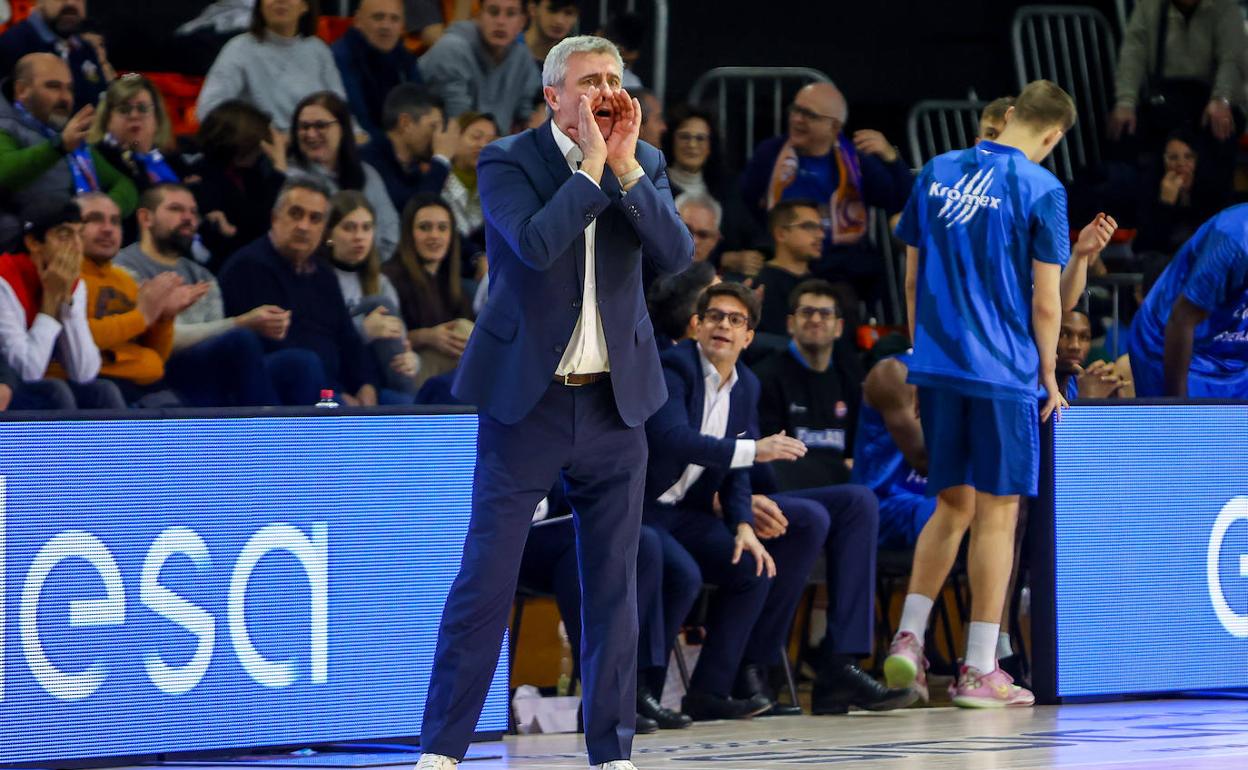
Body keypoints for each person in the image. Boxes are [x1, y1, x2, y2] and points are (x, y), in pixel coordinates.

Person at [414, 33, 692, 770]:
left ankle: (613, 754)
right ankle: (442, 750)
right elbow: (536, 245)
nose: (606, 90)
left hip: (615, 403)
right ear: (553, 97)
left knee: (612, 587)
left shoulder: (648, 164)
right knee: (486, 578)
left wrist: (627, 166)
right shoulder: (508, 160)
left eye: (614, 78)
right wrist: (595, 165)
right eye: (589, 80)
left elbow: (678, 257)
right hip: (526, 400)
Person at [885, 79, 1077, 708]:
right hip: (1002, 373)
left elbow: (912, 277)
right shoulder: (1044, 189)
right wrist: (1048, 375)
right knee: (998, 514)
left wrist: (920, 355)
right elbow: (1047, 302)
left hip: (938, 365)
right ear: (1051, 136)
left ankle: (909, 637)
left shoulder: (936, 169)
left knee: (952, 505)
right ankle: (977, 670)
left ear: (1012, 114)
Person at [642, 283, 802, 720]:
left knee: (752, 566)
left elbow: (735, 466)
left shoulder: (746, 384)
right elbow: (673, 441)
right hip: (640, 508)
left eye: (735, 320)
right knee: (681, 573)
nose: (723, 326)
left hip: (683, 512)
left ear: (748, 336)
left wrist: (743, 525)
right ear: (697, 326)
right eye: (714, 316)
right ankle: (643, 694)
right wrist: (756, 451)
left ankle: (710, 691)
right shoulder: (673, 368)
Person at [115, 183, 324, 407]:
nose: (188, 218)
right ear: (146, 218)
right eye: (176, 209)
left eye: (193, 212)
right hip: (159, 368)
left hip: (205, 369)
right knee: (239, 340)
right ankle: (266, 435)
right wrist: (239, 323)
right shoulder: (123, 268)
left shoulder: (202, 275)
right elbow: (163, 340)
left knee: (302, 362)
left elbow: (215, 337)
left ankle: (313, 437)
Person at [740, 81, 912, 300]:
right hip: (780, 260)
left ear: (835, 127)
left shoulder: (857, 162)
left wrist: (891, 159)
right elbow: (744, 204)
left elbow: (903, 201)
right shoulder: (771, 153)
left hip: (838, 269)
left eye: (808, 114)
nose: (796, 119)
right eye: (795, 110)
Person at [219, 178, 380, 406]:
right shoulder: (247, 267)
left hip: (333, 389)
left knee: (401, 403)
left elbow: (348, 338)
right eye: (296, 214)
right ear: (275, 218)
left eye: (315, 219)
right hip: (280, 390)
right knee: (304, 364)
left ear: (323, 229)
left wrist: (366, 385)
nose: (304, 226)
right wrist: (334, 393)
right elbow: (270, 347)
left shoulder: (324, 274)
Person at [74, 192, 207, 405]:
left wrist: (164, 316)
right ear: (69, 228)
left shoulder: (125, 280)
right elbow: (79, 340)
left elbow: (156, 355)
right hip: (95, 384)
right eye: (95, 219)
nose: (108, 229)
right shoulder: (65, 277)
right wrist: (143, 316)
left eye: (115, 222)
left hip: (136, 381)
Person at [1109, 0, 1246, 202]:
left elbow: (1232, 58)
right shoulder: (1149, 6)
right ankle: (1139, 214)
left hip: (1211, 97)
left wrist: (1221, 98)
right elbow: (1133, 53)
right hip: (1168, 96)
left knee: (1222, 130)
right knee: (1125, 131)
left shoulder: (1224, 7)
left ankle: (1214, 211)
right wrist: (1125, 101)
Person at [0, 53, 136, 251]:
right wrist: (59, 146)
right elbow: (4, 173)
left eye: (69, 89)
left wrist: (98, 213)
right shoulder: (6, 127)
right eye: (53, 86)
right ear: (22, 90)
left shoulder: (64, 133)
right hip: (26, 251)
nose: (65, 98)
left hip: (82, 246)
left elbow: (124, 185)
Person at [0, 199, 124, 409]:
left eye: (80, 234)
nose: (77, 246)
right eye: (65, 235)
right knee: (54, 392)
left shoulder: (72, 282)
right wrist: (50, 303)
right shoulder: (4, 279)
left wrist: (67, 303)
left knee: (103, 391)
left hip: (33, 379)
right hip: (8, 386)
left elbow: (84, 372)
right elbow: (26, 372)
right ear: (33, 243)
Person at [1128, 203, 1248, 397]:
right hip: (1169, 338)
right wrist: (1179, 409)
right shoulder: (1233, 240)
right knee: (1187, 422)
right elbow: (1182, 319)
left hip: (1233, 342)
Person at [753, 279, 858, 489]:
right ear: (790, 324)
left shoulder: (850, 379)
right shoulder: (765, 377)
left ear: (839, 327)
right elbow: (772, 459)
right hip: (789, 488)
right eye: (807, 312)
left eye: (825, 313)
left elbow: (854, 455)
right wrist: (838, 469)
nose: (816, 319)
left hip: (841, 489)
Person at [196, 0, 347, 133]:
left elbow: (339, 106)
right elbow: (208, 109)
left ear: (305, 5)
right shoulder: (239, 48)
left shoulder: (318, 50)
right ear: (260, 5)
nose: (280, 1)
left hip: (316, 145)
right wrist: (260, 135)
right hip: (261, 152)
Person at [324, 189, 419, 397]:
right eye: (349, 228)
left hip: (380, 378)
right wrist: (362, 329)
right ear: (329, 234)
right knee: (377, 303)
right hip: (337, 378)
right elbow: (318, 341)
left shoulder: (381, 281)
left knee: (381, 302)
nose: (359, 237)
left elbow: (400, 341)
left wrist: (412, 360)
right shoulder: (318, 279)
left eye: (366, 228)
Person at [286, 90, 400, 259]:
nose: (310, 134)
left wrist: (362, 263)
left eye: (320, 125)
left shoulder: (367, 174)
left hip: (372, 270)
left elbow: (390, 236)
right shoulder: (292, 178)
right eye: (304, 127)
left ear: (342, 129)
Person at [184, 99, 289, 271]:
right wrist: (279, 170)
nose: (262, 148)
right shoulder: (202, 176)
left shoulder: (251, 172)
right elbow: (255, 228)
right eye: (257, 141)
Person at [382, 194, 473, 383]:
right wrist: (427, 337)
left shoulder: (450, 280)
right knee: (466, 332)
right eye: (424, 227)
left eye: (442, 228)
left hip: (445, 373)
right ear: (408, 233)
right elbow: (386, 341)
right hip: (407, 371)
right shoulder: (390, 277)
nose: (434, 235)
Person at [417, 0, 540, 131]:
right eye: (493, 12)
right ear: (479, 16)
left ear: (522, 21)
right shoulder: (451, 49)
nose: (501, 21)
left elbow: (527, 117)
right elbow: (460, 121)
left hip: (491, 145)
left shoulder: (522, 58)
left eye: (510, 14)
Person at [332, 0, 423, 144]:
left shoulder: (406, 59)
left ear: (402, 26)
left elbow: (421, 111)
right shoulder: (341, 57)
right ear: (358, 21)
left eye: (394, 19)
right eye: (378, 17)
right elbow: (360, 120)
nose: (386, 26)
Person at [359, 83, 458, 215]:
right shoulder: (368, 161)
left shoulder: (414, 171)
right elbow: (413, 212)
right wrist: (441, 160)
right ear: (405, 123)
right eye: (433, 127)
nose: (437, 137)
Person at [0, 0, 114, 111]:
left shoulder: (85, 49)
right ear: (38, 2)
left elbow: (101, 103)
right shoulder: (13, 45)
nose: (71, 3)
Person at [441, 110, 498, 255]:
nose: (483, 145)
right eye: (476, 137)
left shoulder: (495, 187)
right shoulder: (438, 179)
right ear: (455, 138)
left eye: (490, 142)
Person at [1057, 309, 1127, 400]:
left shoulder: (1081, 382)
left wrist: (1114, 405)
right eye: (1064, 334)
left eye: (1084, 337)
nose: (1075, 346)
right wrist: (1087, 401)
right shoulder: (1033, 385)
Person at [524, 0, 579, 65]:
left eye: (568, 13)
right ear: (533, 9)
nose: (559, 21)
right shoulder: (510, 48)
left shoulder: (574, 63)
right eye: (553, 10)